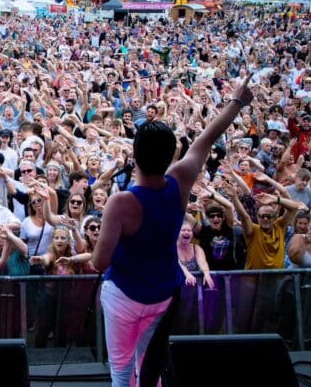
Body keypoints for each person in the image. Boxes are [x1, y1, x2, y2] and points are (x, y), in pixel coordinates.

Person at [90, 76, 254, 387]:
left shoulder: (121, 202)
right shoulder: (179, 180)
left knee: (122, 371)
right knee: (148, 364)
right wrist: (237, 102)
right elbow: (206, 138)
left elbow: (99, 263)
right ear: (171, 155)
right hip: (163, 295)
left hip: (124, 295)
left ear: (134, 157)